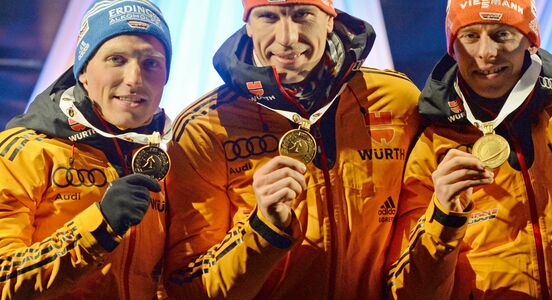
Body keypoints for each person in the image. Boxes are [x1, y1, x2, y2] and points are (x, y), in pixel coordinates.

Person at [385, 0, 552, 298]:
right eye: (470, 36)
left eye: (502, 35)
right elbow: (409, 292)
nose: (486, 52)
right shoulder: (432, 145)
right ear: (452, 46)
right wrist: (444, 217)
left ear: (531, 39)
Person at [163, 0, 421, 298]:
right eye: (268, 17)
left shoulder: (397, 101)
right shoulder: (205, 127)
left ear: (329, 20)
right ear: (247, 24)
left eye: (302, 15)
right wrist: (263, 228)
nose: (287, 38)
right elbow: (187, 286)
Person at [0, 0, 172, 298]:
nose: (134, 79)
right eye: (116, 59)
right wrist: (100, 225)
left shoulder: (174, 156)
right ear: (83, 72)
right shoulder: (24, 152)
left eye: (151, 63)